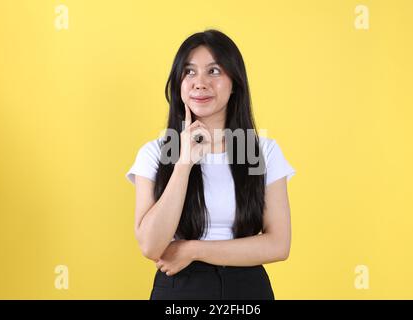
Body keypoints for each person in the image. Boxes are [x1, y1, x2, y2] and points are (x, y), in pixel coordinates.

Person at [125, 29, 296, 300]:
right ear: (178, 83)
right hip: (180, 290)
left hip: (247, 290)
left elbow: (278, 245)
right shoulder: (154, 154)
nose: (200, 83)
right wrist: (184, 163)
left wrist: (193, 250)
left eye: (214, 71)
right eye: (189, 72)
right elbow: (150, 245)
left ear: (235, 83)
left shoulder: (262, 151)